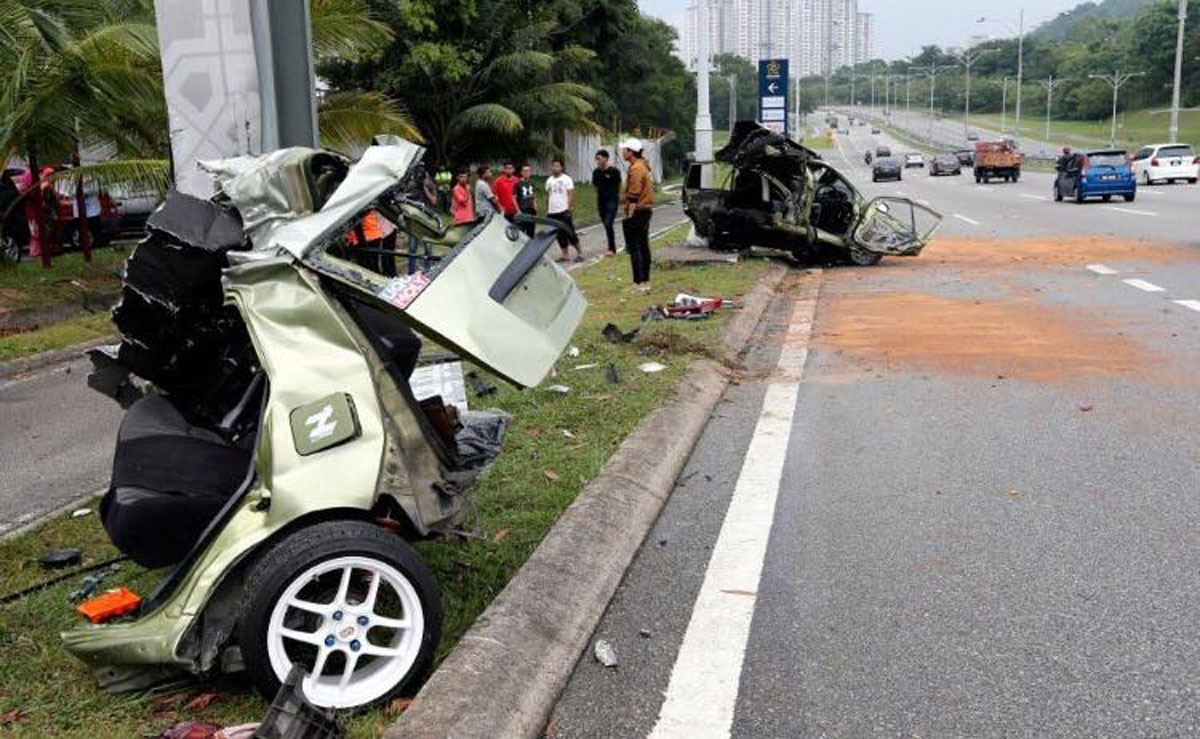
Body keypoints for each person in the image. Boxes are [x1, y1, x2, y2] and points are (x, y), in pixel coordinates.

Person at [621, 138, 654, 291]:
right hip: (646, 210)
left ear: (631, 152)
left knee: (635, 247)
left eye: (625, 150)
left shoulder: (636, 169)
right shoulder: (644, 166)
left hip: (638, 210)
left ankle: (638, 282)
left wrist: (629, 214)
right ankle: (645, 281)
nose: (623, 152)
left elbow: (634, 193)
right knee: (643, 245)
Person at [545, 158, 582, 262]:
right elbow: (548, 196)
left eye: (557, 166)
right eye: (553, 166)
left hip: (563, 210)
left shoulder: (567, 179)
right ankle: (565, 254)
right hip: (552, 211)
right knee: (559, 234)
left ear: (561, 167)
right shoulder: (549, 180)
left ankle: (580, 253)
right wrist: (547, 209)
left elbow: (570, 194)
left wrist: (569, 208)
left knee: (570, 232)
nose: (555, 168)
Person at [591, 149, 622, 255]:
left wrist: (617, 197)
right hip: (601, 202)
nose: (597, 161)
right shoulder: (596, 172)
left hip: (612, 201)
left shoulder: (614, 171)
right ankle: (611, 244)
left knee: (608, 223)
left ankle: (612, 248)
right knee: (606, 223)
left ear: (605, 158)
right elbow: (595, 186)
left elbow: (619, 185)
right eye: (596, 159)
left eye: (599, 159)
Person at [515, 164, 538, 237]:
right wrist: (518, 210)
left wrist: (535, 207)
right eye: (525, 171)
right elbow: (513, 198)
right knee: (521, 232)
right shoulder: (518, 183)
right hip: (523, 210)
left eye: (528, 171)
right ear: (521, 172)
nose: (527, 172)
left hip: (531, 211)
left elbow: (534, 196)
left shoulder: (532, 183)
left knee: (531, 232)